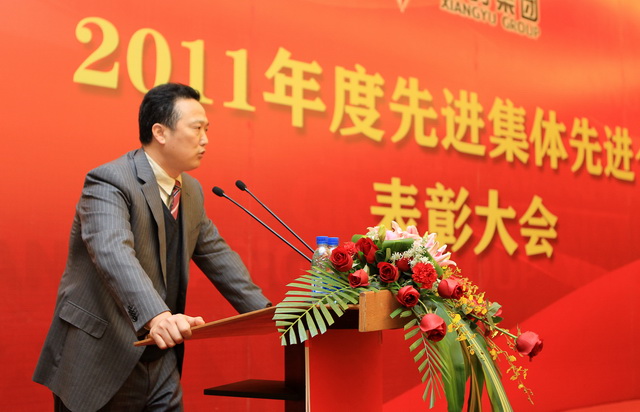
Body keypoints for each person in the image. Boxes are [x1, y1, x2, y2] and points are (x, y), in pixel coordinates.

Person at [33, 83, 271, 411]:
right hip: (100, 355)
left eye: (207, 129)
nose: (205, 139)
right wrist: (157, 317)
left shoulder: (190, 190)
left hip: (159, 358)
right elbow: (113, 251)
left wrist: (271, 315)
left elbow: (217, 255)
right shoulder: (109, 180)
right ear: (160, 132)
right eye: (197, 128)